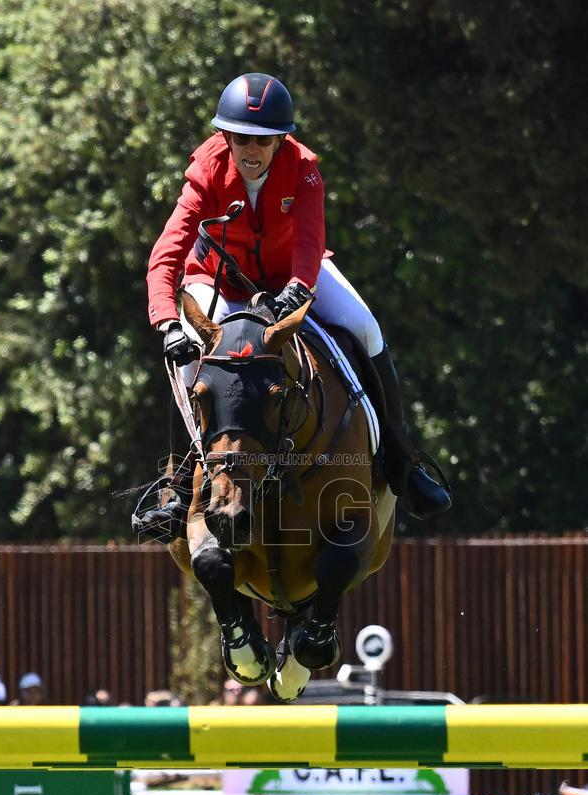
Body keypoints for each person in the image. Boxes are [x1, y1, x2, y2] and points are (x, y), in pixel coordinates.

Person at [139, 71, 451, 543]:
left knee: (365, 327)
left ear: (281, 140)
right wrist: (167, 322)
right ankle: (182, 485)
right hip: (219, 281)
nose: (251, 149)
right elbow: (167, 254)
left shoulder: (303, 169)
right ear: (225, 136)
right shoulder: (205, 172)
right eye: (241, 137)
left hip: (292, 278)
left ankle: (402, 459)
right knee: (188, 361)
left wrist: (299, 287)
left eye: (263, 140)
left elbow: (309, 242)